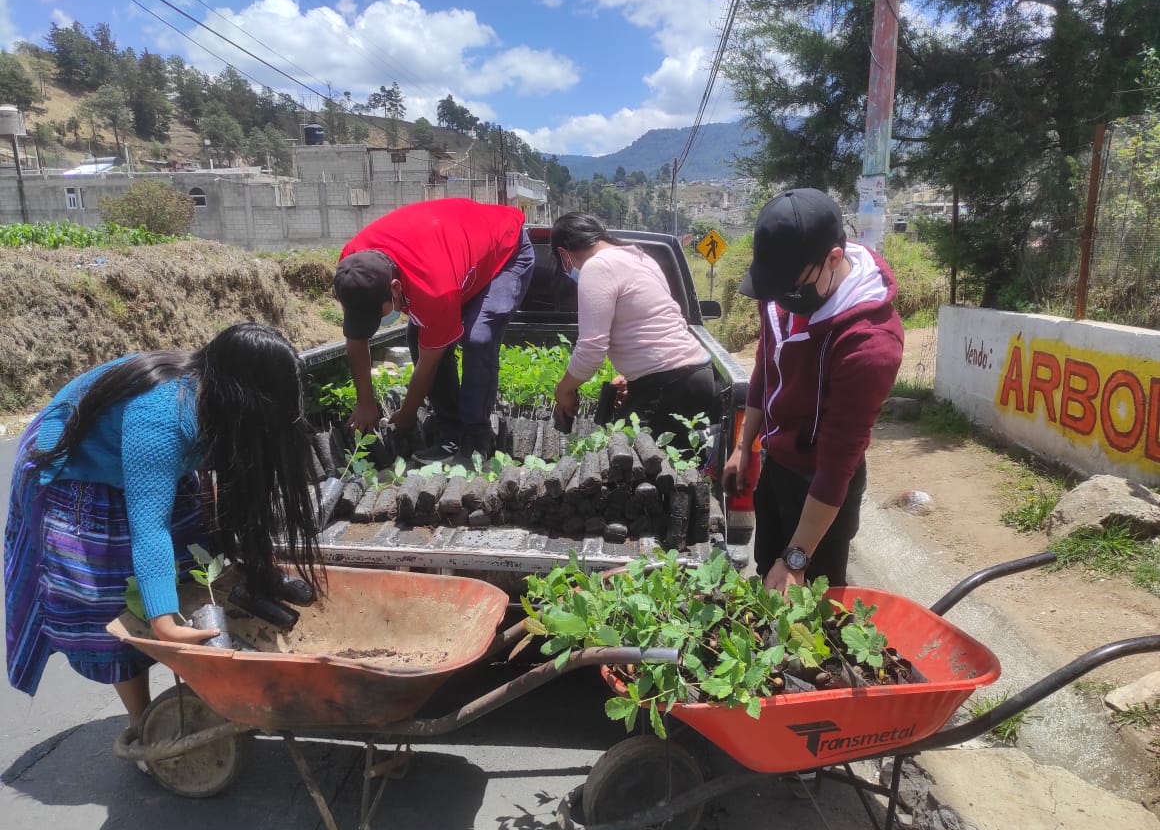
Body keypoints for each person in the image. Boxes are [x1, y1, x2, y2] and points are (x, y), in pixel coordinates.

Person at [4, 323, 323, 736]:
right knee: (112, 593)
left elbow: (238, 491)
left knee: (192, 555)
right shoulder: (163, 418)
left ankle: (206, 690)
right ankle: (143, 724)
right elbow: (149, 527)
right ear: (243, 398)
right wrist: (162, 621)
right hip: (74, 464)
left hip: (138, 462)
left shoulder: (217, 405)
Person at [721, 188, 903, 594]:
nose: (781, 299)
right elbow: (766, 366)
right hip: (777, 465)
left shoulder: (869, 346)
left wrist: (798, 557)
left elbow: (838, 463)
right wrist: (743, 444)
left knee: (816, 607)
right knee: (766, 573)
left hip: (823, 484)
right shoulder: (783, 292)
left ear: (833, 260)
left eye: (789, 287)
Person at [333, 199, 536, 461]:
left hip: (505, 250)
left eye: (378, 313)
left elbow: (428, 365)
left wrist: (406, 415)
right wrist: (365, 402)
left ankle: (475, 437)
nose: (375, 320)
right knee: (418, 335)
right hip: (454, 253)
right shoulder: (351, 265)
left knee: (478, 337)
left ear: (396, 287)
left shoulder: (434, 288)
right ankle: (449, 431)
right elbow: (356, 339)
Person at [550, 212, 713, 447]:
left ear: (564, 253)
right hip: (697, 375)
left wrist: (564, 390)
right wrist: (633, 375)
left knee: (640, 474)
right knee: (679, 474)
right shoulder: (640, 258)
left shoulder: (597, 266)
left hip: (668, 385)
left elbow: (591, 350)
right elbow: (654, 321)